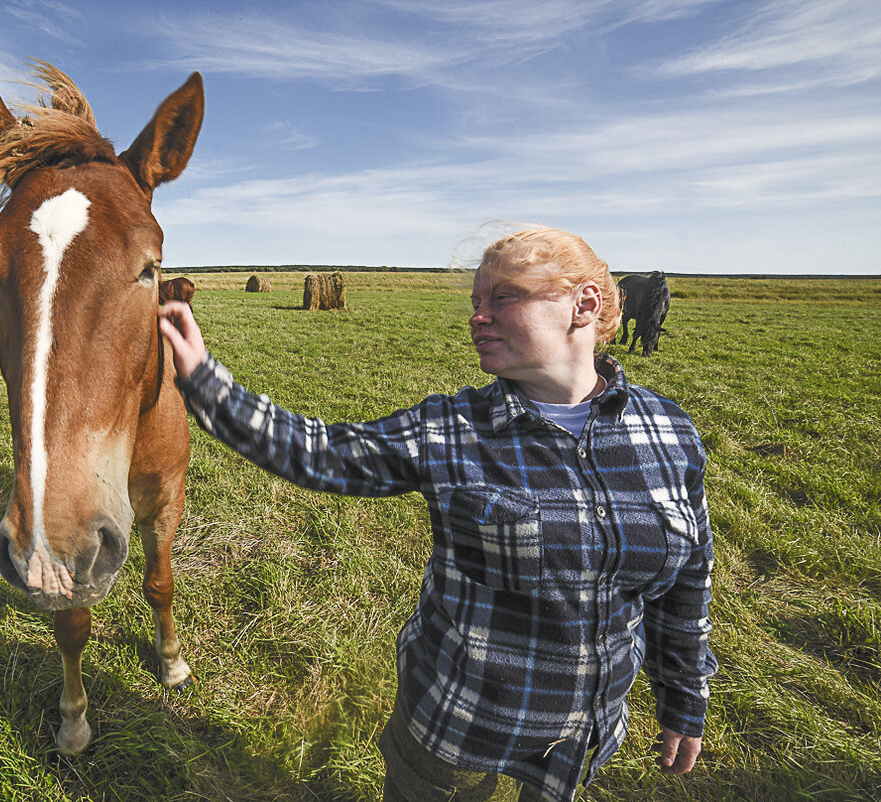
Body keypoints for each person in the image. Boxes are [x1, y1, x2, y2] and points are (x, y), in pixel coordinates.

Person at [158, 228, 716, 802]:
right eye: (476, 303)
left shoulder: (667, 431)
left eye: (503, 298)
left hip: (581, 740)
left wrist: (683, 694)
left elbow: (688, 577)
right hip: (458, 729)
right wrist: (204, 379)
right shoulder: (453, 428)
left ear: (586, 304)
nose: (478, 317)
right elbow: (320, 453)